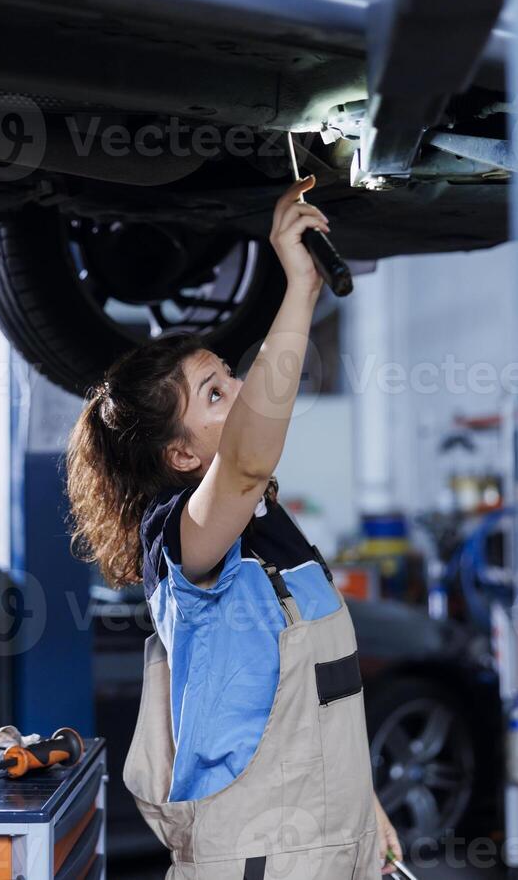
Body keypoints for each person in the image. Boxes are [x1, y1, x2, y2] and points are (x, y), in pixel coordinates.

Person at [66, 176, 403, 879]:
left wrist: (365, 807)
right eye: (217, 393)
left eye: (228, 375)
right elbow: (248, 462)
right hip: (259, 858)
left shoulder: (270, 529)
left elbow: (317, 700)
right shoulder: (179, 544)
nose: (242, 390)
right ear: (182, 454)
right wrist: (299, 289)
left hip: (339, 842)